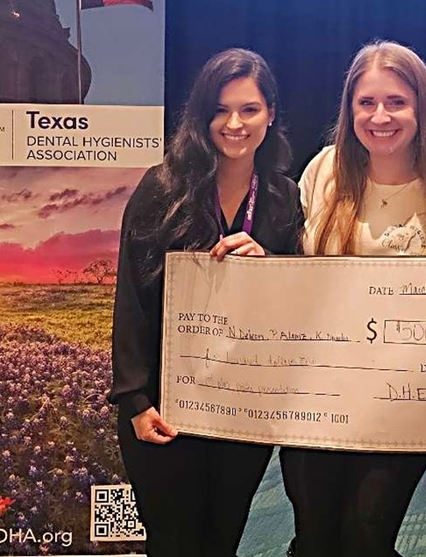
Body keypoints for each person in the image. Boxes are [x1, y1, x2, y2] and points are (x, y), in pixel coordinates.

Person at [279, 40, 426, 557]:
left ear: (423, 110)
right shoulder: (322, 172)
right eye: (366, 103)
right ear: (349, 111)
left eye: (396, 102)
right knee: (314, 535)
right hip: (312, 393)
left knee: (368, 535)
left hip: (401, 405)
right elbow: (288, 268)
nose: (380, 116)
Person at [108, 48, 302, 557]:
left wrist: (272, 267)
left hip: (244, 411)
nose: (234, 124)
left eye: (249, 109)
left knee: (222, 542)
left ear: (272, 113)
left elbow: (296, 311)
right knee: (174, 544)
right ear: (200, 116)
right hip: (165, 409)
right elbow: (131, 299)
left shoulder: (284, 199)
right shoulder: (163, 187)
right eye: (220, 110)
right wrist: (135, 401)